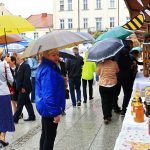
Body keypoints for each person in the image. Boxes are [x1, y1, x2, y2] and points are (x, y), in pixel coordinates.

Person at [36, 49, 66, 150]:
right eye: (53, 55)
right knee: (49, 137)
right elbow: (48, 94)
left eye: (58, 54)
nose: (57, 57)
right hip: (49, 107)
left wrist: (62, 80)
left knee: (45, 134)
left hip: (45, 106)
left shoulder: (45, 66)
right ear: (46, 56)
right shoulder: (48, 70)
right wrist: (55, 113)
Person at [114, 40, 134, 116]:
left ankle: (115, 108)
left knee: (116, 93)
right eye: (132, 44)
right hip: (125, 76)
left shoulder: (117, 51)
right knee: (127, 93)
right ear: (129, 44)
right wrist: (130, 65)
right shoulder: (126, 52)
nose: (132, 46)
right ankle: (124, 109)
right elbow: (125, 64)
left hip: (117, 75)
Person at [13, 54, 36, 123]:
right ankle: (32, 116)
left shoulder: (26, 65)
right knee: (27, 102)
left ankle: (15, 118)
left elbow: (26, 77)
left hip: (24, 88)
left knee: (20, 103)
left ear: (21, 59)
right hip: (20, 87)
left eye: (17, 59)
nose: (16, 60)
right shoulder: (18, 66)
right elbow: (17, 76)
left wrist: (23, 87)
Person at [97, 58, 119, 124]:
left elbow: (97, 73)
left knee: (104, 101)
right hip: (112, 85)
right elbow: (117, 71)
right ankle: (109, 115)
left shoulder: (101, 64)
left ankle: (106, 117)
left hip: (103, 85)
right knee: (110, 100)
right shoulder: (114, 63)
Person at [0, 48, 15, 147]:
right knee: (4, 116)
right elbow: (11, 80)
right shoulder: (4, 64)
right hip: (3, 93)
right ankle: (2, 137)